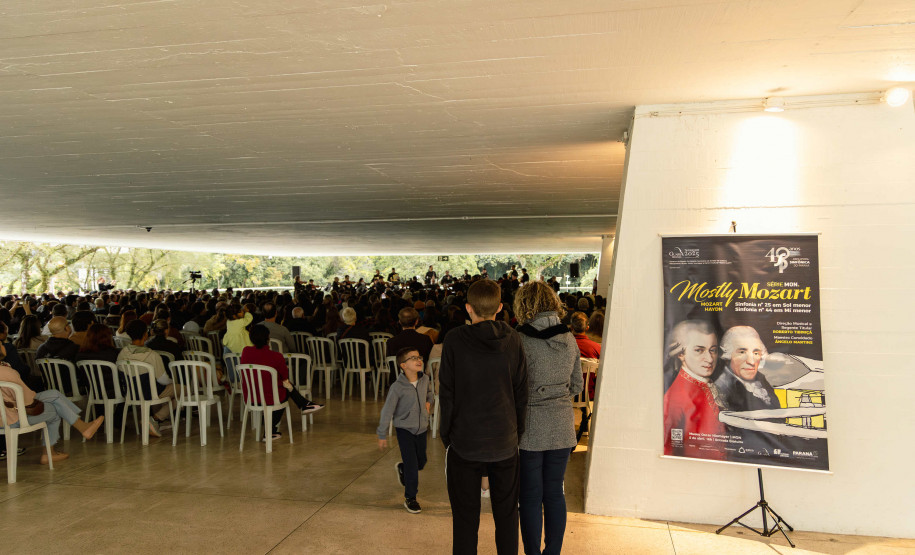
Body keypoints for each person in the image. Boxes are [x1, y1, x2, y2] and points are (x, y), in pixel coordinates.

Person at [440, 279, 528, 555]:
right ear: (500, 307)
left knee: (465, 519)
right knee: (507, 515)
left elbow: (447, 392)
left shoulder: (454, 339)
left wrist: (447, 435)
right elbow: (521, 392)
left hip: (465, 440)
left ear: (468, 308)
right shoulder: (513, 339)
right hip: (504, 439)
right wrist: (516, 433)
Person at [513, 281, 583, 555]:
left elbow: (513, 386)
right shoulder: (568, 338)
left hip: (530, 427)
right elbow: (576, 385)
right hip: (562, 425)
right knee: (554, 493)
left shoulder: (519, 339)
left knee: (530, 496)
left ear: (523, 304)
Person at [1, 345, 105, 464]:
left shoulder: (5, 369)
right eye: (1, 344)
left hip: (4, 415)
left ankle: (82, 428)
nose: (4, 346)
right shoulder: (7, 372)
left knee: (54, 395)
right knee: (55, 409)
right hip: (11, 419)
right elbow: (28, 400)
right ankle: (49, 453)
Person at [240, 325, 323, 441]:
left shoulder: (246, 352)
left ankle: (304, 405)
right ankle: (302, 406)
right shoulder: (276, 356)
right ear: (268, 339)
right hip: (270, 398)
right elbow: (285, 377)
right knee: (286, 388)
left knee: (284, 387)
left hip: (251, 397)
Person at [376, 348, 433, 514]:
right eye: (413, 358)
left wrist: (429, 402)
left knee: (421, 462)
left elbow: (430, 394)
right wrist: (382, 433)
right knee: (412, 465)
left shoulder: (425, 379)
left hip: (421, 428)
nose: (418, 360)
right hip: (404, 429)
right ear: (403, 365)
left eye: (419, 357)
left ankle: (402, 468)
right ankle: (410, 498)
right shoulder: (397, 387)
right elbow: (387, 410)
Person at [662, 320, 725, 460]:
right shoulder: (676, 397)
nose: (709, 359)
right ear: (681, 354)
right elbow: (669, 451)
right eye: (699, 350)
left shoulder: (707, 384)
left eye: (713, 350)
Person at [117, 319, 176, 436]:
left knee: (161, 389)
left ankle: (156, 422)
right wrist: (173, 381)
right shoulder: (152, 355)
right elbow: (163, 380)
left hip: (130, 393)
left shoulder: (122, 353)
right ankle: (155, 418)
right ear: (145, 334)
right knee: (184, 391)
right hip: (150, 393)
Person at [714, 326, 779, 411]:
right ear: (728, 355)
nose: (751, 362)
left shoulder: (763, 381)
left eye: (756, 353)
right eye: (742, 352)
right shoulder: (721, 389)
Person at [385, 307, 433, 382]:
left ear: (400, 322)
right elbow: (430, 361)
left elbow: (390, 365)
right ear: (416, 322)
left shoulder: (391, 342)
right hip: (420, 380)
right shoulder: (425, 340)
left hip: (398, 381)